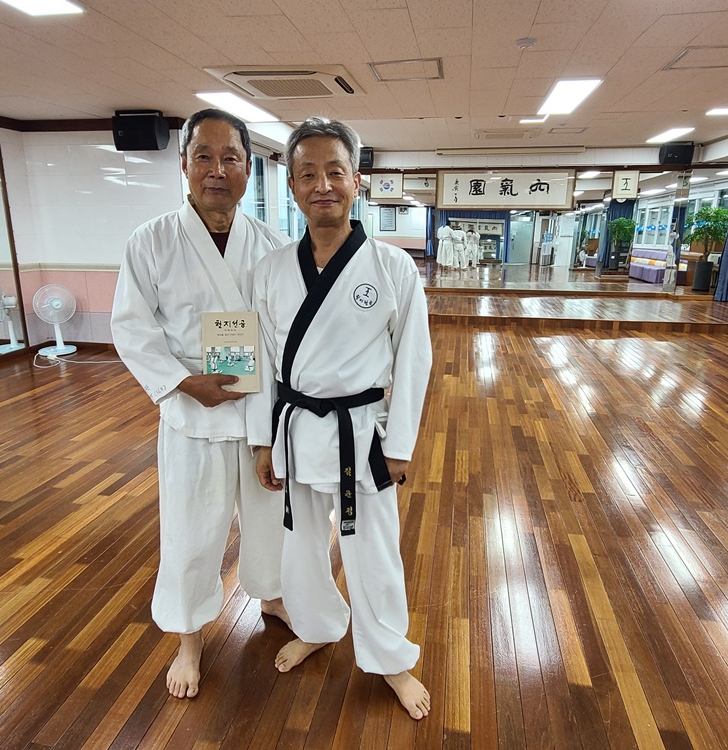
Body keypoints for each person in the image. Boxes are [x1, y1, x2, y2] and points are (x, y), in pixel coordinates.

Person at [248, 117, 433, 720]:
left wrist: (399, 444)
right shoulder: (271, 270)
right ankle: (317, 626)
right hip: (297, 431)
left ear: (357, 180)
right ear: (292, 185)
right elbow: (263, 364)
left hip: (361, 435)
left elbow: (414, 360)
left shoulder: (392, 267)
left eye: (335, 171)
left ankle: (391, 658)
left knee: (372, 553)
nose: (322, 185)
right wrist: (263, 440)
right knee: (300, 547)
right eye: (307, 174)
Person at [110, 108, 290, 700]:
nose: (217, 170)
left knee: (270, 520)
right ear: (183, 165)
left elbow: (283, 334)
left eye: (230, 157)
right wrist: (186, 383)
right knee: (191, 532)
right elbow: (132, 328)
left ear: (248, 168)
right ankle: (188, 636)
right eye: (204, 157)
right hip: (193, 413)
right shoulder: (152, 241)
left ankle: (273, 596)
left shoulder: (272, 243)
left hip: (258, 411)